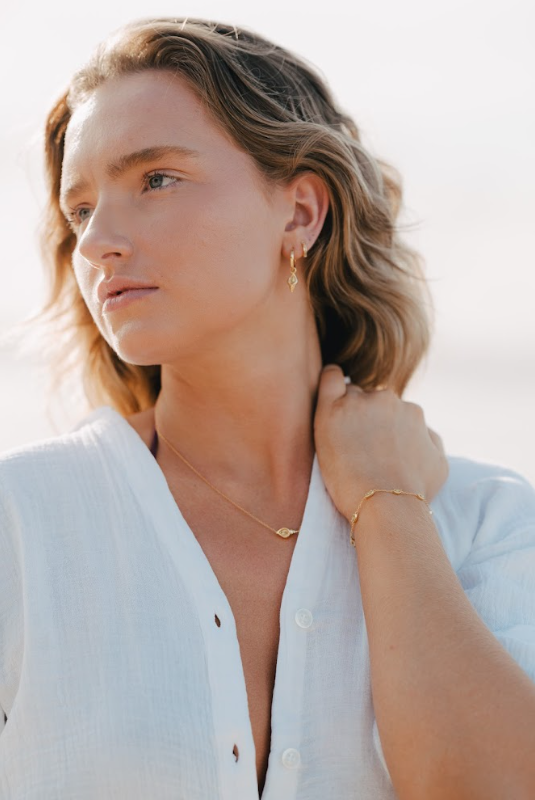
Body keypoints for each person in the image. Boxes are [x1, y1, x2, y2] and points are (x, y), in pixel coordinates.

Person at [1, 16, 534, 800]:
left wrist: (389, 508)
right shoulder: (21, 521)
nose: (96, 241)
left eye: (156, 179)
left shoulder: (485, 523)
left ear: (300, 212)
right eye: (80, 209)